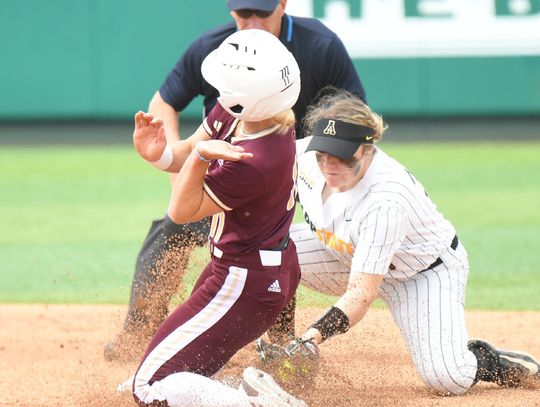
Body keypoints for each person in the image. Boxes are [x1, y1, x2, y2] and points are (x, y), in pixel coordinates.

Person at [104, 0, 367, 361]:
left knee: (273, 246)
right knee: (168, 232)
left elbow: (353, 116)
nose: (253, 22)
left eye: (262, 12)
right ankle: (138, 334)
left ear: (283, 5)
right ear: (231, 12)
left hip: (300, 174)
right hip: (230, 179)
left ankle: (278, 346)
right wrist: (173, 166)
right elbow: (163, 104)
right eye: (245, 14)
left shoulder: (319, 45)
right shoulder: (220, 59)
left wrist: (329, 178)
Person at [256, 88, 540, 396]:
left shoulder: (386, 198)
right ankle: (280, 345)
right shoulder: (302, 157)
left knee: (448, 378)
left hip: (420, 274)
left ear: (367, 149)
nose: (329, 165)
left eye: (341, 155)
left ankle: (489, 360)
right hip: (346, 255)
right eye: (324, 154)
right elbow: (247, 171)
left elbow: (362, 294)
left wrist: (311, 339)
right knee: (267, 252)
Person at [130, 29, 308, 407]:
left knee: (145, 389)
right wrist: (161, 156)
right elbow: (191, 148)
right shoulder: (250, 113)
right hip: (246, 269)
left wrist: (200, 159)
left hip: (246, 282)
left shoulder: (255, 160)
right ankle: (244, 389)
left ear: (250, 96)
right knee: (170, 371)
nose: (222, 89)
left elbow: (180, 211)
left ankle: (253, 402)